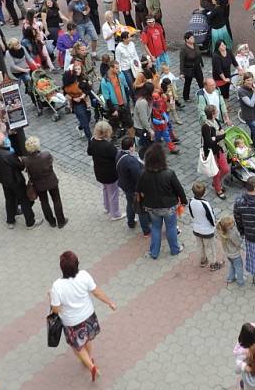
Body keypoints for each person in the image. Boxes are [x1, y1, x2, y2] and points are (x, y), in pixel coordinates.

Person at [49, 251, 117, 382]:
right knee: (86, 339)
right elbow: (96, 293)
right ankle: (89, 357)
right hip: (88, 316)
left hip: (71, 322)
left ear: (62, 268)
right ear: (77, 264)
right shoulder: (84, 275)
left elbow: (55, 310)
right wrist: (110, 303)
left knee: (77, 346)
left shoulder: (57, 286)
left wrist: (51, 296)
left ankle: (91, 366)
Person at [137, 142, 187, 259]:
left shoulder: (143, 174)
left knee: (155, 228)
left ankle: (154, 252)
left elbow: (139, 189)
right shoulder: (169, 173)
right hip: (169, 207)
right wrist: (184, 201)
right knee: (171, 227)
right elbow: (179, 189)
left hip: (152, 207)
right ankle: (175, 249)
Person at [22, 136, 68, 228]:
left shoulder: (26, 160)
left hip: (38, 184)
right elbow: (51, 163)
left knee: (44, 202)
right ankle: (61, 221)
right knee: (56, 200)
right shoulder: (46, 154)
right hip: (51, 181)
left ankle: (51, 221)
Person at [87, 121, 123, 221]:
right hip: (110, 174)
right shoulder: (108, 146)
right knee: (113, 193)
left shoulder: (92, 141)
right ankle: (115, 214)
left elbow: (89, 152)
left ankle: (107, 207)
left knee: (105, 190)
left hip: (99, 172)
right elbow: (116, 157)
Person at [116, 136, 150, 234]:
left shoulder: (119, 154)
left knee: (130, 203)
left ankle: (130, 222)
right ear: (131, 147)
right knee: (141, 209)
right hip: (134, 188)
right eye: (134, 145)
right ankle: (146, 230)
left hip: (125, 185)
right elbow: (138, 176)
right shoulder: (130, 161)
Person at [188, 182, 221, 270]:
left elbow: (192, 214)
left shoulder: (191, 201)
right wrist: (214, 225)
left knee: (200, 246)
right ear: (204, 192)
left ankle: (203, 260)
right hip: (207, 230)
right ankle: (213, 264)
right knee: (210, 247)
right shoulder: (205, 204)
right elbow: (211, 216)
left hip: (196, 228)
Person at [201, 104, 231, 200]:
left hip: (218, 148)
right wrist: (221, 136)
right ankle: (218, 189)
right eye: (216, 111)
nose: (218, 112)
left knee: (225, 169)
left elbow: (219, 131)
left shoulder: (216, 121)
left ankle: (216, 182)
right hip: (210, 152)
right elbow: (209, 141)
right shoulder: (205, 126)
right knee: (216, 172)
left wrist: (217, 137)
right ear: (213, 114)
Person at [237, 72, 255, 153]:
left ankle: (252, 146)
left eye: (251, 80)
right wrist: (254, 92)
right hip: (250, 117)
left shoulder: (254, 86)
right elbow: (251, 104)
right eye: (248, 80)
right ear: (244, 81)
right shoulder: (241, 91)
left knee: (254, 132)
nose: (250, 82)